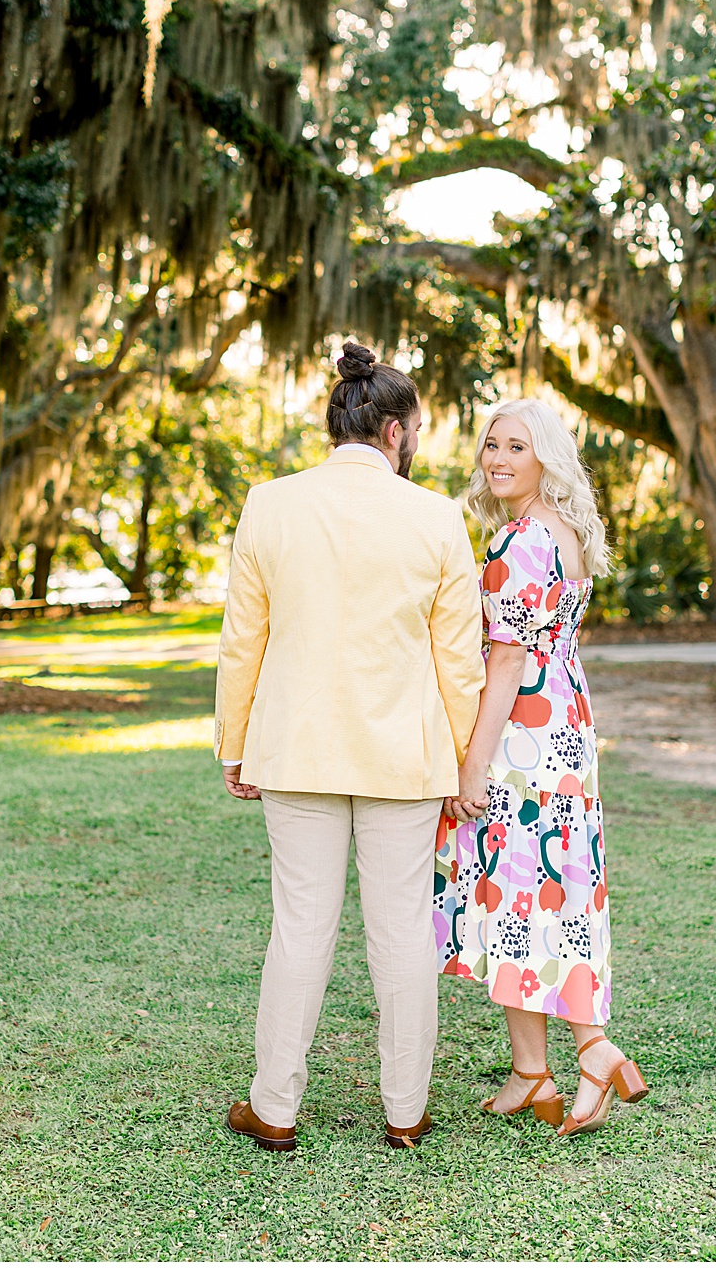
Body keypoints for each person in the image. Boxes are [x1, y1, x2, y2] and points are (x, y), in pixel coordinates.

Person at [216, 341, 486, 1152]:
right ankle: (405, 1112)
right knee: (401, 930)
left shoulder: (270, 503)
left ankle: (275, 1109)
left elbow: (243, 641)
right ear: (397, 431)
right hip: (405, 754)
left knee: (301, 927)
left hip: (296, 746)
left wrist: (235, 741)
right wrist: (463, 759)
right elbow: (459, 659)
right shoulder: (437, 515)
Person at [436, 399, 648, 1138]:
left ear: (545, 458)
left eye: (515, 447)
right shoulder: (562, 531)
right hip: (564, 727)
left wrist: (472, 766)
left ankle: (592, 1048)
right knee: (542, 896)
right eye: (491, 445)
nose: (497, 459)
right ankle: (533, 1070)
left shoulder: (522, 544)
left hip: (522, 739)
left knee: (519, 894)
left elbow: (504, 662)